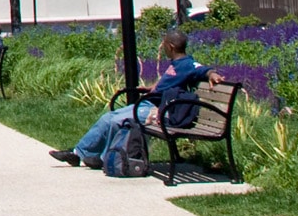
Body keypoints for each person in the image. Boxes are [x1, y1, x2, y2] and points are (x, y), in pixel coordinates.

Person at [50, 31, 216, 169]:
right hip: (149, 102)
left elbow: (201, 69)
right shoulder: (175, 63)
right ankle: (79, 153)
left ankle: (102, 158)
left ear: (171, 47)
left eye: (164, 44)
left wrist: (212, 75)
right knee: (108, 117)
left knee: (116, 120)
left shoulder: (187, 64)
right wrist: (153, 88)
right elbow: (169, 83)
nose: (162, 46)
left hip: (158, 109)